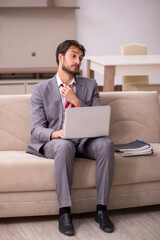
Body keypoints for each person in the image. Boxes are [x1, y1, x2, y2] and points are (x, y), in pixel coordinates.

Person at [27, 40, 115, 236]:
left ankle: (102, 209)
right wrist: (54, 133)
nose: (77, 61)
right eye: (73, 56)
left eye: (80, 58)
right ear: (61, 57)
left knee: (106, 145)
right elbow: (36, 129)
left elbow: (97, 119)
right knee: (65, 146)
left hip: (85, 140)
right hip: (57, 142)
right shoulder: (40, 89)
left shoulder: (90, 85)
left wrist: (76, 101)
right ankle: (65, 212)